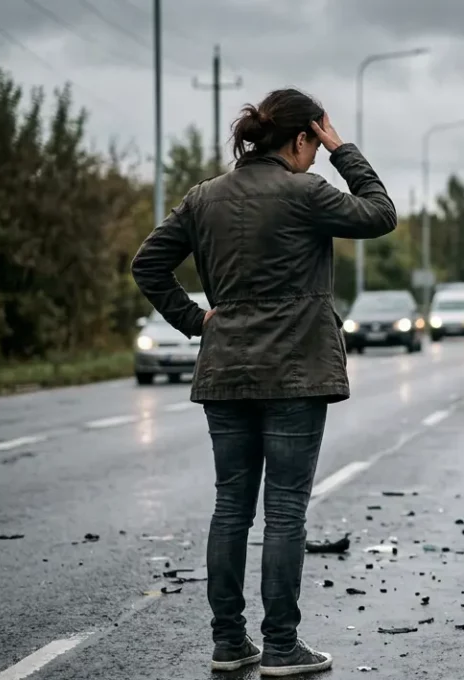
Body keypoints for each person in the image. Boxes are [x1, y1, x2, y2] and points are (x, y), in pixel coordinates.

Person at [130, 89, 396, 676]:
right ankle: (281, 647)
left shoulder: (204, 198)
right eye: (314, 144)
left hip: (225, 369)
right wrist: (344, 150)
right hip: (295, 372)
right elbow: (380, 213)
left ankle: (229, 643)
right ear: (302, 138)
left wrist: (196, 321)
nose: (314, 156)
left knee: (231, 507)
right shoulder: (305, 192)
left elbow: (147, 263)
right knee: (284, 512)